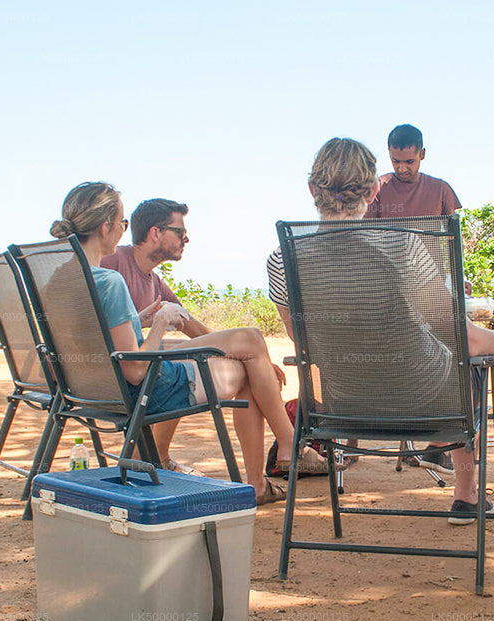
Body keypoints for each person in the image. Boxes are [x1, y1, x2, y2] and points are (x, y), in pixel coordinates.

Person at [267, 138, 494, 524]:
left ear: (312, 190)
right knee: (467, 365)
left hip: (339, 406)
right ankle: (467, 496)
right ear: (372, 192)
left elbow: (302, 342)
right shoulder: (402, 245)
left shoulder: (282, 260)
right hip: (422, 400)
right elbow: (464, 337)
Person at [49, 181, 327, 505]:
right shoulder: (109, 276)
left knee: (250, 349)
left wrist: (140, 320)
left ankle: (277, 453)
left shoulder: (59, 278)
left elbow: (94, 335)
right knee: (251, 351)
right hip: (147, 385)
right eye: (122, 223)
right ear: (107, 226)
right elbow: (137, 370)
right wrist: (162, 323)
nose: (124, 231)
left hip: (93, 388)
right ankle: (280, 454)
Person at [361, 124, 464, 475]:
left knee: (452, 350)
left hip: (431, 286)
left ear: (422, 153)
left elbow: (454, 240)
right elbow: (364, 240)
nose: (402, 168)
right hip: (387, 290)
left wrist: (456, 277)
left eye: (408, 160)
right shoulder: (378, 189)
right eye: (395, 160)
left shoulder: (440, 190)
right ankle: (352, 444)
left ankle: (436, 446)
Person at [99, 198, 210, 475]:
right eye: (180, 233)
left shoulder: (155, 283)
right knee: (180, 363)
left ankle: (157, 457)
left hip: (111, 379)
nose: (186, 240)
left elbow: (192, 326)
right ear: (155, 233)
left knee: (185, 351)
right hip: (115, 381)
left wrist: (232, 347)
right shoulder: (111, 264)